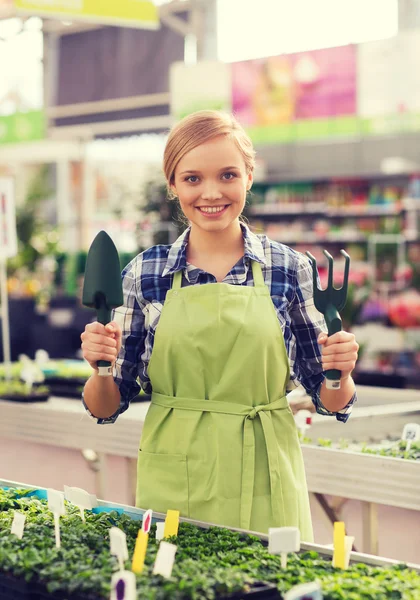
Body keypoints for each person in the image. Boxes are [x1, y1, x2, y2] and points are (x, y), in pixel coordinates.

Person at [81, 110, 359, 541]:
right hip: (176, 472)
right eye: (192, 178)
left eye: (228, 174)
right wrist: (99, 365)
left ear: (249, 176)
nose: (211, 192)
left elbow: (331, 401)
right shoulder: (144, 274)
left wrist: (341, 372)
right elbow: (106, 406)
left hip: (268, 469)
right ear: (172, 185)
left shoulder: (289, 268)